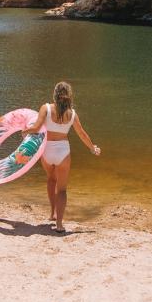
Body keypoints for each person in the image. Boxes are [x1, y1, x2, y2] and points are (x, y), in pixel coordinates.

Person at [27, 81, 100, 234]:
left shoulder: (46, 108)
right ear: (69, 96)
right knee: (62, 190)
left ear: (54, 94)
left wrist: (24, 130)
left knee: (51, 179)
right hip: (63, 152)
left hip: (47, 151)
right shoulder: (72, 114)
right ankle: (59, 224)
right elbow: (82, 134)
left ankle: (52, 213)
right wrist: (92, 148)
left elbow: (36, 128)